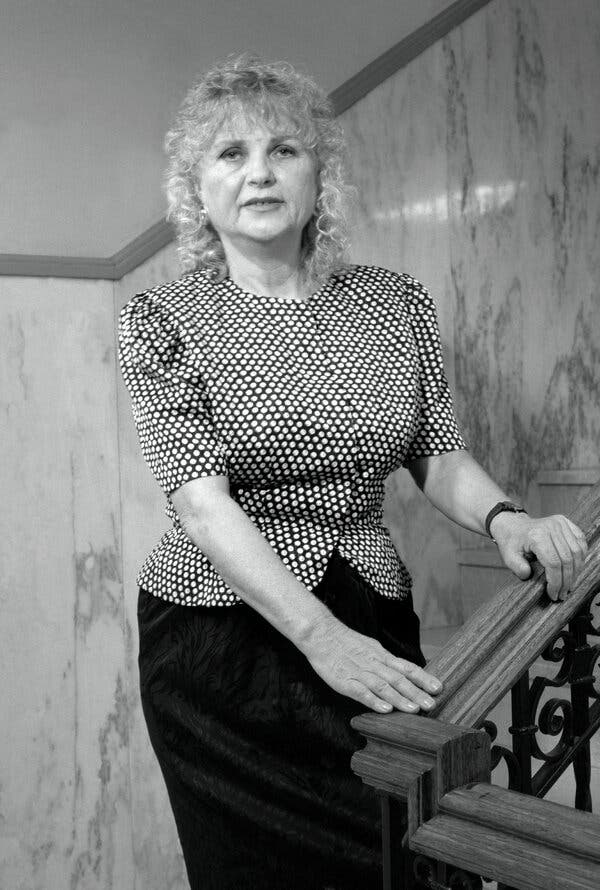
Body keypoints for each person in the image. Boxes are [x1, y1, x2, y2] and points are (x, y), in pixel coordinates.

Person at [118, 53, 588, 890]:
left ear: (318, 176)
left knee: (397, 857)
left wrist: (506, 518)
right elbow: (201, 503)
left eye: (284, 150)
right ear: (196, 187)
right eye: (229, 154)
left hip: (371, 611)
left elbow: (436, 450)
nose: (258, 173)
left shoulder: (395, 300)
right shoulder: (162, 314)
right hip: (220, 645)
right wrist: (321, 638)